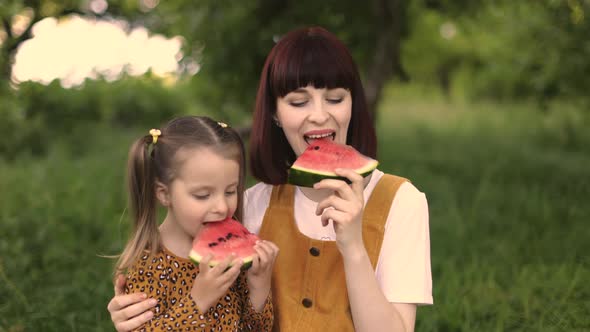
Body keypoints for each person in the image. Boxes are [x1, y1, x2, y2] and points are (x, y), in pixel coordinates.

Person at [108, 27, 432, 332]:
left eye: (335, 98)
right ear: (275, 113)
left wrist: (353, 247)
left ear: (353, 104)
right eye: (298, 101)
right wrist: (139, 299)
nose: (319, 115)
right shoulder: (250, 205)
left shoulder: (402, 202)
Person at [108, 115, 278, 331]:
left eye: (230, 191)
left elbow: (255, 328)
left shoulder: (231, 256)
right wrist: (198, 301)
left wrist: (259, 287)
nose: (222, 207)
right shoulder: (148, 265)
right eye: (202, 195)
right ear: (164, 194)